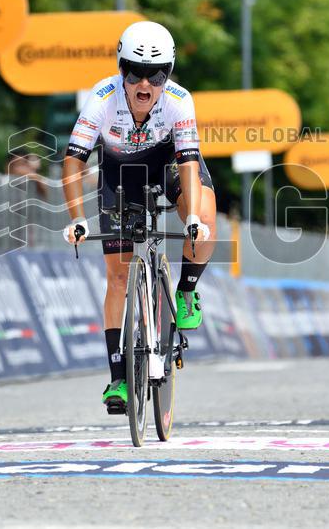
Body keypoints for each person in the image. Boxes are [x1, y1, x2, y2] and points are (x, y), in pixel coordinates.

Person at [61, 20, 216, 412]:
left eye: (156, 75)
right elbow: (74, 161)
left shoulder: (179, 100)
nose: (144, 84)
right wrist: (77, 218)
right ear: (121, 69)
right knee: (117, 277)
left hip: (169, 164)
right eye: (134, 73)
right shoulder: (102, 98)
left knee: (204, 217)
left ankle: (186, 290)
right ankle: (118, 378)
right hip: (120, 173)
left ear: (168, 74)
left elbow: (188, 162)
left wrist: (192, 219)